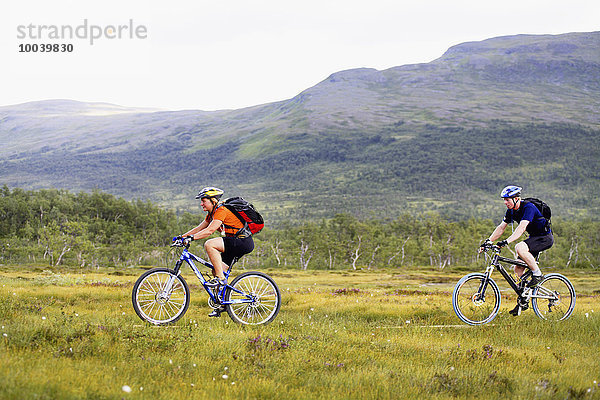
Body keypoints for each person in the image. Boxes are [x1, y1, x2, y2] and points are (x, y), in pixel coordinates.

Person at [180, 186, 255, 317]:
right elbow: (200, 228)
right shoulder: (212, 213)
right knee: (216, 270)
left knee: (210, 244)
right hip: (233, 243)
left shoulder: (221, 210)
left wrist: (191, 238)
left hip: (242, 242)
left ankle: (221, 279)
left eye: (204, 201)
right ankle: (221, 305)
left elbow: (209, 231)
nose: (201, 203)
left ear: (213, 200)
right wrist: (182, 236)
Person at [484, 185, 554, 316]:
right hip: (533, 238)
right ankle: (524, 298)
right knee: (517, 270)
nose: (505, 202)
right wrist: (489, 241)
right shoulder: (510, 211)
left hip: (544, 238)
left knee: (519, 247)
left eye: (508, 200)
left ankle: (537, 274)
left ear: (517, 199)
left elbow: (521, 228)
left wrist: (507, 241)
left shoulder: (528, 207)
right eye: (504, 200)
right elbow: (501, 227)